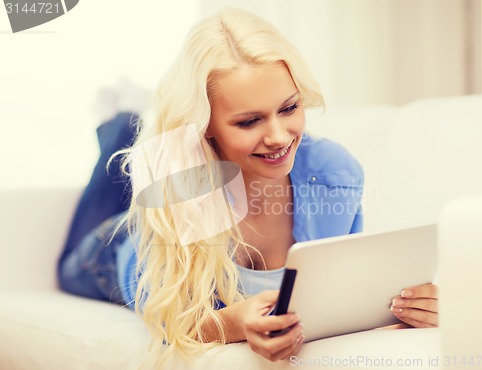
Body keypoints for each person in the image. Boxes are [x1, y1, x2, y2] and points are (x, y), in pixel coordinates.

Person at [57, 8, 438, 365]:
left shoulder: (334, 173)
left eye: (289, 108)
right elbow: (167, 318)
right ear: (205, 126)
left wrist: (406, 308)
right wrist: (233, 323)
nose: (278, 136)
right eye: (249, 121)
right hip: (113, 254)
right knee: (70, 260)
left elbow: (344, 292)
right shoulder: (179, 183)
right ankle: (119, 125)